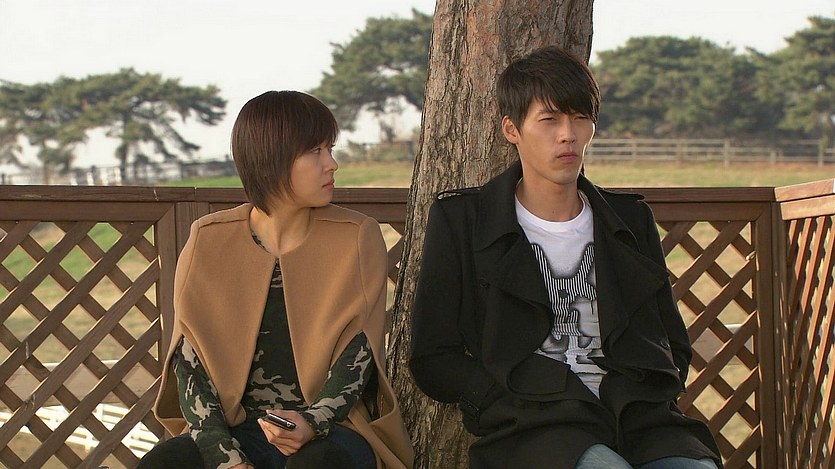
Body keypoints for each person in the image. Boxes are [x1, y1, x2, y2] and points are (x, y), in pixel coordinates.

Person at [409, 46, 722, 469]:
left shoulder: (629, 220)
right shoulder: (465, 220)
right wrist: (495, 398)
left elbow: (672, 339)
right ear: (511, 129)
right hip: (533, 422)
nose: (568, 135)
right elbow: (433, 356)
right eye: (550, 119)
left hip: (638, 418)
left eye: (580, 118)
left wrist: (654, 387)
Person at [139, 90, 414, 469]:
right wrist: (222, 454)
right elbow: (189, 360)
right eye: (316, 151)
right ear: (272, 159)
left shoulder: (356, 235)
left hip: (330, 430)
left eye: (330, 149)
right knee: (165, 462)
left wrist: (312, 422)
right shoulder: (208, 238)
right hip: (233, 430)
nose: (332, 164)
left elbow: (360, 350)